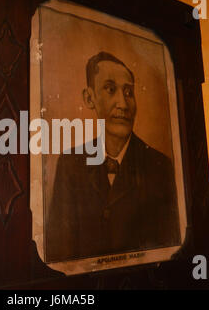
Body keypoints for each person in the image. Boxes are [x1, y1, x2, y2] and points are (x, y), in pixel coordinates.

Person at [45, 52, 181, 262]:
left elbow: (167, 253)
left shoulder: (159, 166)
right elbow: (59, 254)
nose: (123, 104)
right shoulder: (70, 164)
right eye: (110, 89)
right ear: (89, 98)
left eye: (129, 92)